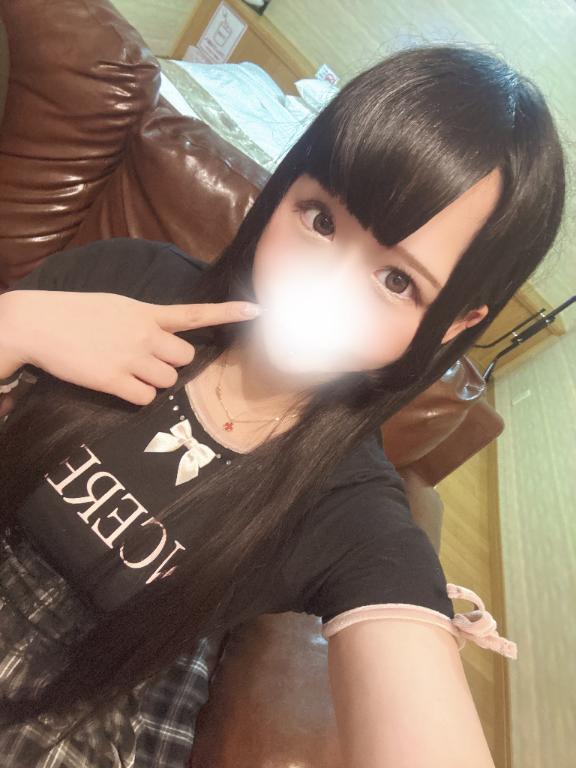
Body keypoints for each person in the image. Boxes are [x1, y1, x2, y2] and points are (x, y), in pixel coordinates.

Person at [0, 43, 565, 768]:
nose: (322, 286)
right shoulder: (129, 277)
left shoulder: (350, 512)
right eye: (321, 220)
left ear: (454, 323)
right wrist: (17, 325)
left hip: (83, 696)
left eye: (397, 280)